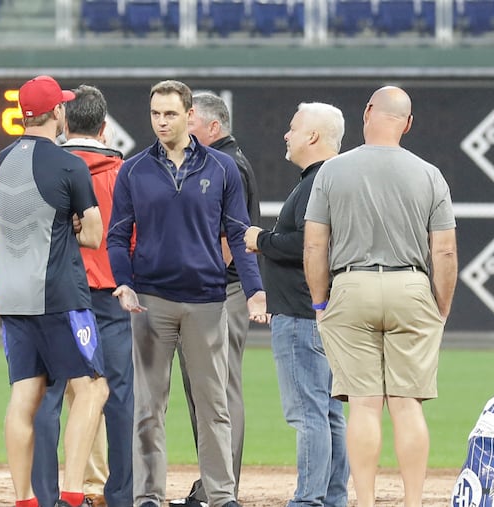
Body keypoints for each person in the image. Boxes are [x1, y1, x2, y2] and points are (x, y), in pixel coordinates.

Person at [107, 79, 267, 507]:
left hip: (207, 302)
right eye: (156, 114)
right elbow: (117, 236)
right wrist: (122, 281)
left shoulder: (220, 168)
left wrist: (254, 290)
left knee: (214, 406)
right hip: (149, 302)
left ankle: (220, 495)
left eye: (170, 114)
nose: (161, 122)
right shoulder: (134, 170)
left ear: (189, 114)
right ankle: (148, 496)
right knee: (148, 409)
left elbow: (237, 232)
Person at [303, 86, 458, 507]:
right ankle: (412, 502)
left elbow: (315, 245)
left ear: (368, 112)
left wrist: (320, 302)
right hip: (411, 285)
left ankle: (367, 502)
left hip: (351, 285)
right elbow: (443, 250)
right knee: (407, 404)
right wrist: (440, 306)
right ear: (407, 123)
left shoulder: (332, 171)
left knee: (365, 405)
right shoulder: (429, 174)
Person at [0, 75, 109, 507]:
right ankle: (73, 494)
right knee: (93, 388)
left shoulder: (1, 161)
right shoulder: (68, 164)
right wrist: (70, 228)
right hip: (59, 295)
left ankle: (25, 499)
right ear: (57, 112)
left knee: (25, 394)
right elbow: (94, 235)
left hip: (13, 296)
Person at [244, 102, 349, 507]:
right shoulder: (332, 178)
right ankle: (332, 497)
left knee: (308, 414)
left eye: (292, 128)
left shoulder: (317, 182)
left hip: (301, 314)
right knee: (328, 413)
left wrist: (261, 240)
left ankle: (309, 500)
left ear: (313, 137)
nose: (286, 136)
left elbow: (309, 244)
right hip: (324, 313)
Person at [33, 84, 133, 507]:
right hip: (111, 296)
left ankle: (44, 495)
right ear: (105, 128)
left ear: (63, 121)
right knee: (118, 395)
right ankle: (121, 494)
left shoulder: (44, 167)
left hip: (57, 296)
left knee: (48, 397)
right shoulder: (128, 173)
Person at [171, 91, 260, 507]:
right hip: (213, 291)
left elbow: (232, 239)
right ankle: (212, 483)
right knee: (207, 392)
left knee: (219, 391)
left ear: (213, 127)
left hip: (221, 291)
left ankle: (220, 489)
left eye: (190, 126)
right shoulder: (212, 162)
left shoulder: (229, 165)